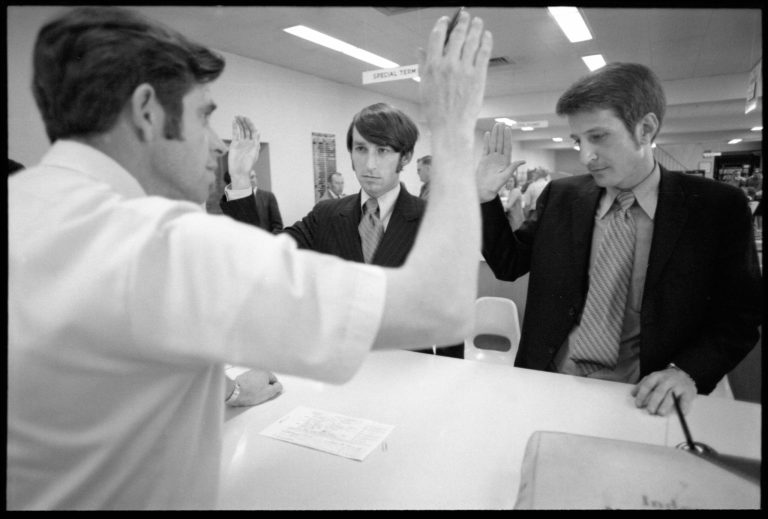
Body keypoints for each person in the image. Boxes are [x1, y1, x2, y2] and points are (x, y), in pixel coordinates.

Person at [8, 6, 491, 509]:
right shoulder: (164, 244)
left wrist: (232, 389)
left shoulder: (25, 206)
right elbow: (442, 305)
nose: (216, 143)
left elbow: (121, 380)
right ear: (146, 111)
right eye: (203, 116)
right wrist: (454, 128)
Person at [476, 62, 761, 417]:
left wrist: (687, 372)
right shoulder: (562, 197)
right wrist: (486, 199)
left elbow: (740, 315)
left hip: (643, 399)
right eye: (578, 141)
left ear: (646, 128)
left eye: (598, 137)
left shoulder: (716, 208)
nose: (585, 156)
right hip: (547, 382)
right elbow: (508, 264)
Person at [225, 103, 464, 359]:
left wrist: (448, 377)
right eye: (361, 149)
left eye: (382, 151)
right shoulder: (326, 214)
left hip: (406, 368)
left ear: (404, 157)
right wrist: (240, 179)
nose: (369, 164)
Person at [219, 168, 284, 233]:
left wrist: (269, 240)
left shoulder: (268, 196)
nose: (251, 180)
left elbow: (278, 225)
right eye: (248, 178)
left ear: (256, 178)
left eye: (252, 177)